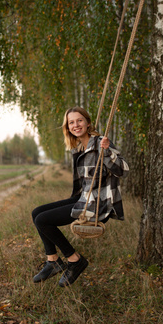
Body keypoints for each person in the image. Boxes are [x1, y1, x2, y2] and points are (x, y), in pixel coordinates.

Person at [32, 106, 129, 287]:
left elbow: (122, 170)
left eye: (79, 120)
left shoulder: (101, 142)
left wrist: (107, 151)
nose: (76, 125)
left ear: (87, 122)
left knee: (43, 220)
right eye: (71, 122)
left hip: (97, 204)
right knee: (36, 212)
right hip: (83, 198)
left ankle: (74, 260)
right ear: (67, 127)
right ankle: (52, 261)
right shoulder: (78, 148)